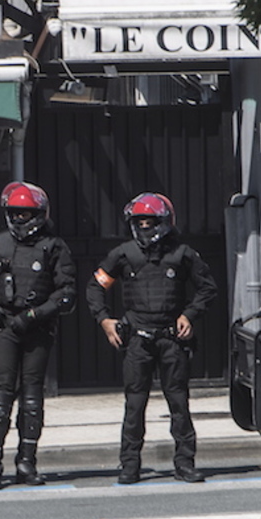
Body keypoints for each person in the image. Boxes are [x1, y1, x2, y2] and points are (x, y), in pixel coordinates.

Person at [85, 192, 217, 485]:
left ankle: (185, 464)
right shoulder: (123, 254)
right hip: (137, 341)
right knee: (134, 404)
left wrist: (190, 314)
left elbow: (208, 288)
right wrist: (105, 320)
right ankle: (129, 465)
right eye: (139, 222)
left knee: (179, 403)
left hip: (172, 340)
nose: (145, 228)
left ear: (165, 222)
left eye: (150, 222)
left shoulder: (183, 254)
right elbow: (95, 287)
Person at [0, 182, 76, 489]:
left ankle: (27, 462)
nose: (21, 220)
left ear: (39, 215)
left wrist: (36, 314)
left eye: (27, 214)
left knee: (32, 398)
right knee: (0, 396)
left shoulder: (54, 247)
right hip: (4, 327)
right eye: (16, 214)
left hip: (37, 328)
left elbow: (66, 292)